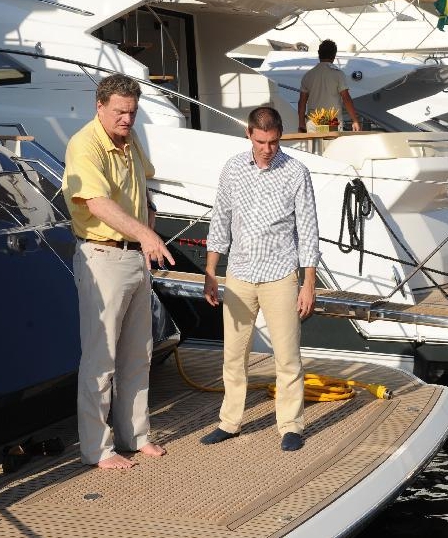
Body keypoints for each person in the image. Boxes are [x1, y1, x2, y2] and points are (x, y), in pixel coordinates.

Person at [62, 73, 175, 469]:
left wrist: (149, 228)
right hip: (103, 256)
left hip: (134, 256)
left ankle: (135, 434)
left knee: (137, 352)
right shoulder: (84, 144)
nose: (127, 119)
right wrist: (147, 235)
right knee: (101, 359)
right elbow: (96, 203)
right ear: (100, 107)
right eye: (120, 112)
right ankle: (97, 449)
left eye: (132, 112)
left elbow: (145, 187)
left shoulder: (129, 140)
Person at [202, 106, 320, 452]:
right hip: (239, 272)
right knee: (233, 354)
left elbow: (309, 230)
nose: (267, 148)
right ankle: (230, 422)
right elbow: (220, 219)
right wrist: (211, 271)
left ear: (280, 135)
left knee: (287, 356)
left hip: (280, 273)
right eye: (260, 141)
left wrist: (308, 282)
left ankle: (291, 425)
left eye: (272, 141)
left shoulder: (296, 172)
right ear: (248, 135)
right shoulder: (233, 168)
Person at [297, 39, 361, 133]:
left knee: (315, 148)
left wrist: (301, 123)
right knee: (331, 147)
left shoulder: (308, 75)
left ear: (319, 54)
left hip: (313, 121)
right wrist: (355, 120)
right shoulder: (338, 74)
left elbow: (302, 103)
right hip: (331, 120)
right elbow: (346, 98)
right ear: (334, 55)